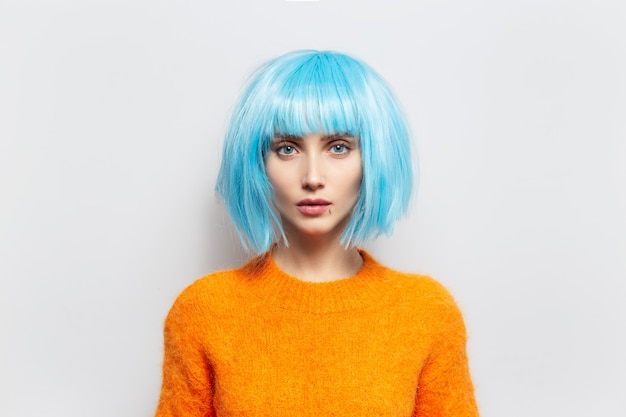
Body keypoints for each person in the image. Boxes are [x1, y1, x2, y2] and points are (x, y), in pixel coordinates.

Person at [155, 50, 479, 417]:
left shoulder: (427, 312)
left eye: (338, 148)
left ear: (374, 158)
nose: (312, 177)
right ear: (256, 162)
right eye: (287, 148)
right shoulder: (203, 311)